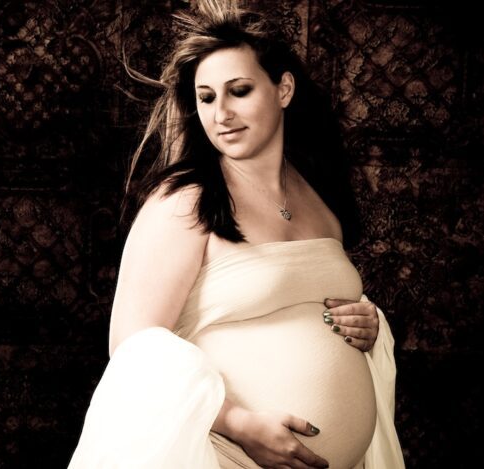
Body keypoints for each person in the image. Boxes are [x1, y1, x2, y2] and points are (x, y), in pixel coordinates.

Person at [69, 1, 405, 468]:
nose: (221, 113)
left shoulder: (319, 196)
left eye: (239, 91)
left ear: (283, 89)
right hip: (219, 454)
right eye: (206, 97)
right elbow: (132, 348)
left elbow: (309, 307)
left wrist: (368, 323)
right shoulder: (185, 202)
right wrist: (241, 425)